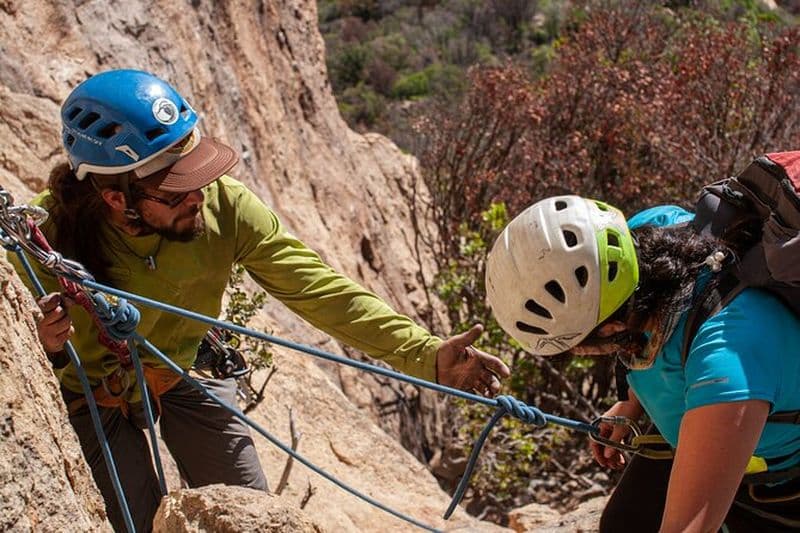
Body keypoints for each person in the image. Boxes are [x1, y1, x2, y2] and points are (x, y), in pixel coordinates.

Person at [9, 69, 510, 532]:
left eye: (198, 176)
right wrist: (46, 345)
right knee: (133, 519)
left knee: (249, 512)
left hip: (183, 366)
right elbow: (18, 355)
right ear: (117, 198)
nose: (198, 197)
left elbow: (319, 289)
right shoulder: (44, 242)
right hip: (95, 394)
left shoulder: (227, 208)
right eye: (176, 191)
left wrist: (425, 356)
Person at [485, 195, 800, 532]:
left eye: (577, 347)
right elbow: (658, 333)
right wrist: (632, 403)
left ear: (611, 329)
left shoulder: (726, 360)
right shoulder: (644, 238)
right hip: (708, 424)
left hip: (782, 486)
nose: (580, 355)